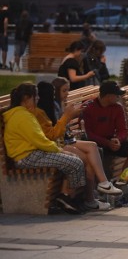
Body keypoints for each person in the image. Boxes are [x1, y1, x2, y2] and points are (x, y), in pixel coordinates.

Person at [36, 81, 122, 211]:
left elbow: (59, 130)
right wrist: (68, 116)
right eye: (63, 90)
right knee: (88, 159)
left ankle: (102, 185)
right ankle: (87, 198)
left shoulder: (56, 106)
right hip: (56, 143)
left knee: (93, 147)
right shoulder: (43, 110)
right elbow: (52, 135)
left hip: (63, 140)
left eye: (67, 90)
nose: (67, 93)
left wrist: (70, 117)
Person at [2, 83, 87, 214]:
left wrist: (58, 150)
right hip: (27, 157)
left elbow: (40, 140)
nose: (38, 100)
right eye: (35, 97)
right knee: (75, 162)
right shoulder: (22, 116)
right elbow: (40, 140)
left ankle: (67, 197)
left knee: (73, 159)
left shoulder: (23, 114)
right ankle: (69, 198)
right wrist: (58, 150)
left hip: (32, 154)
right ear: (26, 98)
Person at [82, 81, 128, 179]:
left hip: (112, 141)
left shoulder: (118, 107)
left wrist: (118, 139)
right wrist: (107, 143)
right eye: (117, 95)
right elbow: (89, 134)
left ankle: (124, 180)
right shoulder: (89, 107)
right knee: (102, 159)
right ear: (108, 96)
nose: (119, 98)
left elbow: (123, 130)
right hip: (95, 144)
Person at [0, 3, 9, 69]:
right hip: (2, 33)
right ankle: (3, 65)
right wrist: (5, 31)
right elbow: (5, 21)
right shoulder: (5, 13)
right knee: (4, 49)